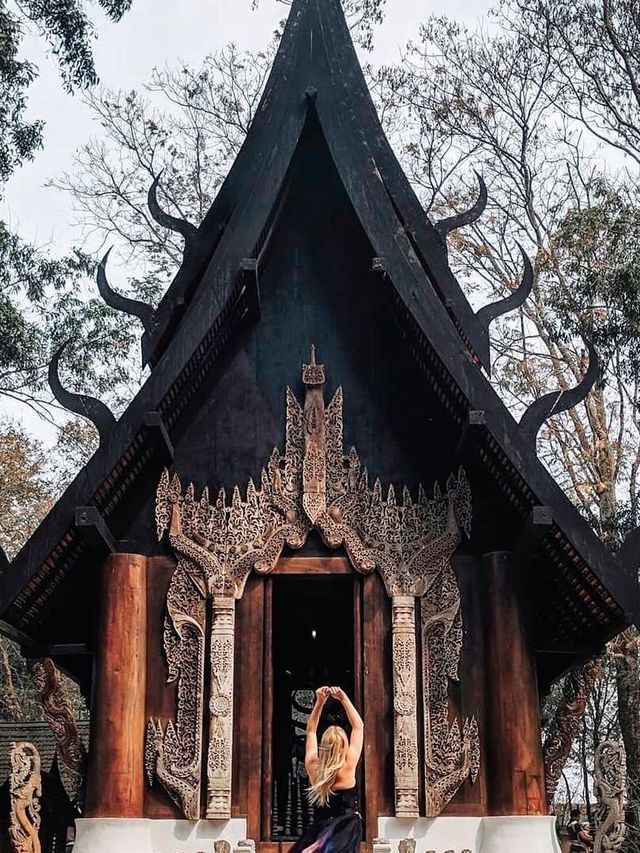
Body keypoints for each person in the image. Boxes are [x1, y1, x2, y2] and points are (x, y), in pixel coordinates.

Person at [290, 685, 364, 853]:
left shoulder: (313, 766)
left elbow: (310, 732)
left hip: (321, 827)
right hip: (346, 827)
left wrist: (319, 702)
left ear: (323, 745)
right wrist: (343, 698)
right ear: (344, 746)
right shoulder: (348, 765)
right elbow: (358, 726)